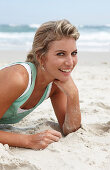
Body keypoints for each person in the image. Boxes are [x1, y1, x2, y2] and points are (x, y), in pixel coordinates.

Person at [0, 19, 81, 150]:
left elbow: (70, 130)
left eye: (74, 53)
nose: (70, 62)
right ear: (41, 57)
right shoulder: (18, 79)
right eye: (61, 54)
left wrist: (73, 94)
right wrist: (28, 140)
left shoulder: (56, 84)